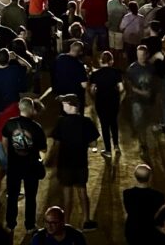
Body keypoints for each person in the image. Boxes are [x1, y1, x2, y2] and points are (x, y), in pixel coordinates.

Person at [45, 94, 99, 231]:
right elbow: (93, 143)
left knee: (67, 195)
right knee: (82, 191)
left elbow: (56, 143)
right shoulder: (86, 122)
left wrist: (51, 158)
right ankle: (86, 220)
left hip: (65, 164)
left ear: (71, 105)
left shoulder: (61, 122)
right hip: (81, 162)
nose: (63, 107)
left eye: (64, 104)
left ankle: (67, 222)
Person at [1, 97, 47, 234]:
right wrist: (40, 160)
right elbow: (43, 150)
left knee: (12, 196)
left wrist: (9, 156)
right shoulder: (36, 128)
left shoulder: (9, 124)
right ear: (32, 109)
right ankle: (30, 226)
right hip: (31, 167)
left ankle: (10, 225)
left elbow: (4, 140)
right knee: (31, 197)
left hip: (14, 166)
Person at [89, 51, 124, 157]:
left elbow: (92, 90)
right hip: (113, 100)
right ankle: (116, 146)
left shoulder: (95, 74)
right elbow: (121, 88)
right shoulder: (116, 72)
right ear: (111, 61)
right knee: (114, 123)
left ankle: (108, 150)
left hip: (101, 101)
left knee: (104, 125)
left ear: (101, 61)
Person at [126, 45, 157, 156]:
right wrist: (139, 92)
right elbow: (129, 86)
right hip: (137, 101)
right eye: (138, 55)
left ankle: (147, 143)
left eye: (142, 55)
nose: (140, 58)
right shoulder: (132, 69)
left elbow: (155, 83)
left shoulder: (151, 68)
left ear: (147, 55)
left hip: (149, 101)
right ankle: (143, 145)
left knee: (148, 124)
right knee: (140, 124)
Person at [123, 164, 165, 245]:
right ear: (150, 177)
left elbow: (129, 210)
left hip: (133, 230)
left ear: (135, 176)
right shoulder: (159, 196)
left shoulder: (127, 193)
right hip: (151, 231)